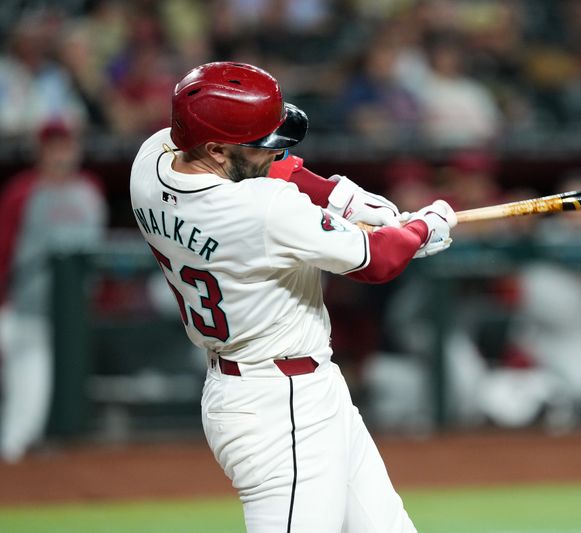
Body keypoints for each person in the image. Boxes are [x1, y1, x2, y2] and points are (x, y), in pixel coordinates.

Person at [129, 61, 456, 532]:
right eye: (259, 143)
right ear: (217, 149)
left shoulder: (152, 159)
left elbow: (268, 170)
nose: (271, 152)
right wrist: (428, 224)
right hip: (276, 406)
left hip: (295, 387)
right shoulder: (261, 210)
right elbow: (379, 260)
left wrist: (336, 197)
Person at [0, 120, 107, 462]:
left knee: (58, 384)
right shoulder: (22, 191)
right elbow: (4, 249)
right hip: (27, 303)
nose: (61, 153)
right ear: (41, 151)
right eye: (54, 146)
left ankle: (31, 452)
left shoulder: (90, 190)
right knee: (27, 381)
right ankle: (14, 453)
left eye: (66, 145)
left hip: (74, 309)